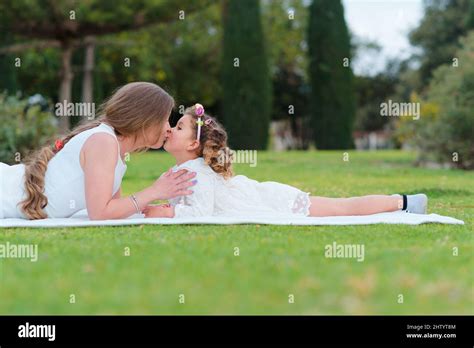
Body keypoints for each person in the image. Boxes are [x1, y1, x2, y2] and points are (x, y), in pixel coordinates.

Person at [143, 104, 427, 218]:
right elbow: (190, 204)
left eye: (178, 127)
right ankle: (402, 203)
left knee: (342, 208)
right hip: (263, 195)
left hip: (274, 200)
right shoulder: (185, 169)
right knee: (341, 207)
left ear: (194, 143)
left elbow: (200, 214)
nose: (169, 129)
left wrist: (165, 212)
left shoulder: (197, 173)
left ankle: (404, 202)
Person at [0, 82, 196, 220]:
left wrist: (150, 208)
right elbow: (101, 213)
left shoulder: (114, 149)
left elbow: (114, 208)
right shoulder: (104, 142)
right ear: (145, 120)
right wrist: (155, 191)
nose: (169, 128)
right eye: (165, 120)